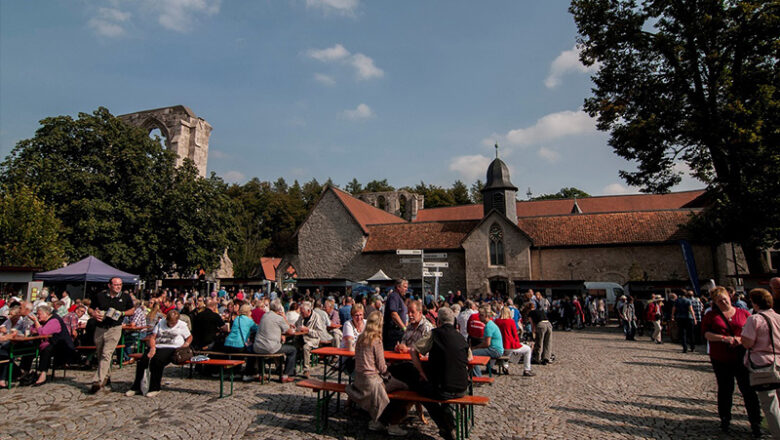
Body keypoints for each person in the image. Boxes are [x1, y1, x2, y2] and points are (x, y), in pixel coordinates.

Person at [702, 286, 761, 436]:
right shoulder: (711, 315)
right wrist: (724, 338)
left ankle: (755, 422)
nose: (723, 301)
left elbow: (754, 334)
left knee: (748, 390)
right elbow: (707, 334)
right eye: (719, 300)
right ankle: (725, 419)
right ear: (715, 302)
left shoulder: (744, 313)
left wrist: (739, 339)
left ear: (730, 297)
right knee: (725, 389)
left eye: (724, 298)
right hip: (721, 358)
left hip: (742, 357)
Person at [410, 307, 472, 440]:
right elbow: (469, 358)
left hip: (443, 389)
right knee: (441, 386)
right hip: (462, 388)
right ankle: (447, 418)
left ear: (438, 321)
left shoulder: (434, 334)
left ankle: (445, 425)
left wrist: (421, 372)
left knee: (419, 391)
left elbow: (414, 350)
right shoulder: (461, 337)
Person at [345, 311, 406, 436]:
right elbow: (382, 368)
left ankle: (379, 421)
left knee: (394, 388)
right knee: (404, 389)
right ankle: (393, 423)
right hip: (372, 382)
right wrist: (389, 371)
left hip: (359, 381)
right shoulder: (376, 340)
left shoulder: (361, 338)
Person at [741, 288, 780, 438]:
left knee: (770, 404)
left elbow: (747, 342)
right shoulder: (778, 317)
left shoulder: (755, 319)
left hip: (763, 365)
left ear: (755, 303)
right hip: (779, 361)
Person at [125, 309, 192, 397]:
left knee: (157, 361)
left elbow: (189, 337)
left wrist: (186, 344)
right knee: (143, 360)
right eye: (170, 322)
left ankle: (155, 387)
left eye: (173, 323)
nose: (171, 325)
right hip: (159, 345)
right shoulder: (161, 323)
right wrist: (152, 348)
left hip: (173, 347)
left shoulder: (182, 325)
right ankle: (137, 386)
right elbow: (153, 337)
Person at [88, 277, 135, 394]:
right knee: (100, 354)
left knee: (106, 353)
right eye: (116, 284)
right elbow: (90, 308)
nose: (118, 286)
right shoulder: (100, 296)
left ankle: (97, 381)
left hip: (115, 328)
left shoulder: (125, 297)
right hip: (100, 328)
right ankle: (106, 377)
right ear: (109, 285)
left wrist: (123, 313)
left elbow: (132, 310)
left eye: (120, 284)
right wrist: (93, 313)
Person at [27, 304, 75, 386]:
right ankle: (24, 371)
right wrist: (37, 326)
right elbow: (32, 330)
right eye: (37, 314)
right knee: (28, 347)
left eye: (39, 314)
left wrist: (36, 322)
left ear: (46, 313)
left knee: (47, 349)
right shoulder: (43, 321)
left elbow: (42, 333)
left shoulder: (54, 320)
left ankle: (43, 374)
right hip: (48, 343)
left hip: (62, 347)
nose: (38, 316)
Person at [253, 299, 297, 383]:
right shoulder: (278, 318)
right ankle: (286, 375)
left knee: (265, 349)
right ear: (279, 308)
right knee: (292, 350)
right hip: (270, 347)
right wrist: (284, 317)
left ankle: (261, 374)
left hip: (257, 346)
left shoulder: (265, 315)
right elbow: (290, 331)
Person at [295, 300, 332, 377]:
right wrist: (295, 327)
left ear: (308, 311)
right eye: (301, 312)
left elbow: (319, 333)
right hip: (301, 337)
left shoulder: (316, 317)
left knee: (306, 347)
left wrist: (308, 330)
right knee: (292, 346)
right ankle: (291, 368)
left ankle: (306, 370)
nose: (301, 314)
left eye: (302, 312)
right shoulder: (301, 316)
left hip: (312, 340)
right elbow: (297, 325)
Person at [494, 306, 534, 376]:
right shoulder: (511, 321)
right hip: (509, 344)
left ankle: (505, 366)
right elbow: (515, 334)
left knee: (507, 352)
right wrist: (518, 341)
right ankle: (527, 370)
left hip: (500, 344)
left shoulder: (497, 321)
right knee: (527, 349)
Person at [223, 304, 258, 380]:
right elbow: (257, 329)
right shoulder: (249, 321)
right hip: (239, 344)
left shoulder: (237, 318)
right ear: (249, 312)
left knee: (236, 355)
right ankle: (249, 373)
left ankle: (235, 372)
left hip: (228, 343)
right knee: (252, 353)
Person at [470, 304, 503, 377]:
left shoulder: (488, 326)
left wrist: (475, 347)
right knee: (473, 353)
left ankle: (478, 376)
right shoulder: (490, 324)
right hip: (496, 349)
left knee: (472, 354)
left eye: (480, 315)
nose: (479, 317)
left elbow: (487, 344)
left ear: (485, 316)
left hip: (495, 350)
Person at [382, 280, 408, 351]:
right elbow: (394, 314)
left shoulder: (400, 297)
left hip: (398, 332)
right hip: (393, 332)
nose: (406, 289)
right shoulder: (394, 296)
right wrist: (404, 328)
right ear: (398, 287)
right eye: (405, 287)